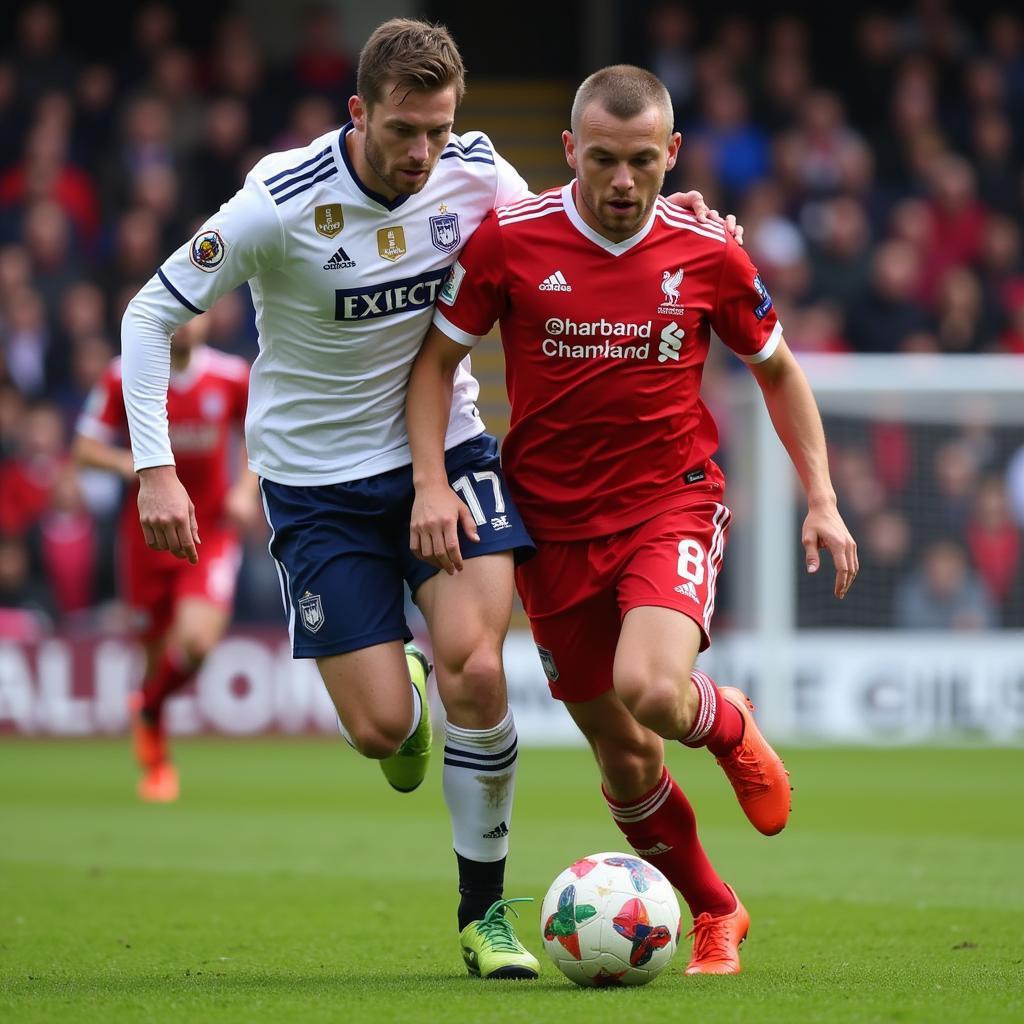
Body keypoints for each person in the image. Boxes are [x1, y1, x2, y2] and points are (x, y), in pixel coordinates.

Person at [116, 18, 733, 979]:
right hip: (316, 486)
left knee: (477, 673)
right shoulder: (277, 202)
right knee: (383, 734)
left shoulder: (478, 173)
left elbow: (571, 239)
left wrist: (676, 216)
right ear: (359, 113)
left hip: (447, 454)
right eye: (405, 130)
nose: (424, 153)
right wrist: (155, 465)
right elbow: (150, 312)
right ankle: (399, 704)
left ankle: (483, 917)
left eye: (440, 130)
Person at [406, 64, 858, 976]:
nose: (621, 182)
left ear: (673, 155)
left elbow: (777, 369)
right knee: (624, 755)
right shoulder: (511, 242)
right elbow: (433, 364)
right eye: (603, 160)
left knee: (653, 688)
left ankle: (727, 724)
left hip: (670, 502)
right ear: (569, 150)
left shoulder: (709, 251)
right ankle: (717, 909)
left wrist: (822, 497)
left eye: (643, 162)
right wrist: (429, 483)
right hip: (551, 529)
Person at [73, 312, 258, 801]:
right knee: (155, 660)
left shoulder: (232, 376)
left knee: (196, 643)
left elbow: (260, 436)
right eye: (175, 316)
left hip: (209, 531)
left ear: (210, 320)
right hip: (146, 535)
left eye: (194, 315)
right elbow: (84, 448)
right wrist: (134, 466)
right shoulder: (123, 373)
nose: (185, 324)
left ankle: (147, 708)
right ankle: (156, 762)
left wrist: (245, 489)